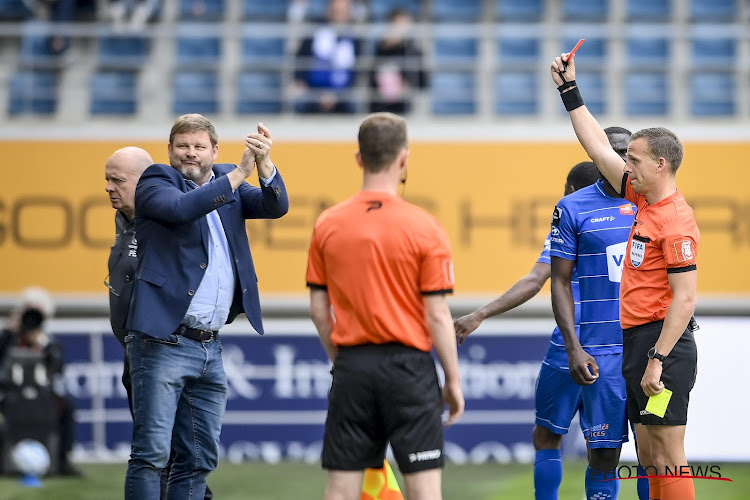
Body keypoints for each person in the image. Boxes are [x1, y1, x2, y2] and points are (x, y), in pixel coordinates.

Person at [551, 52, 699, 500]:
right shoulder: (641, 199)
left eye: (632, 159)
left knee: (668, 455)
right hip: (636, 342)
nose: (622, 165)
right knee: (651, 456)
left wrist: (658, 358)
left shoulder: (675, 221)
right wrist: (568, 90)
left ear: (661, 165)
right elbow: (596, 145)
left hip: (663, 348)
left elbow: (685, 299)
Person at [124, 114, 289, 499]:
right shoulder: (156, 180)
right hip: (162, 340)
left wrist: (263, 163)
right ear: (170, 150)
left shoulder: (226, 178)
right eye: (183, 146)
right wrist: (235, 176)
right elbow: (181, 209)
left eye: (199, 147)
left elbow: (274, 206)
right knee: (151, 455)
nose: (190, 154)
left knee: (198, 460)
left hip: (208, 346)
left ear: (215, 151)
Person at [306, 112, 463, 500]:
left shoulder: (328, 223)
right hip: (408, 368)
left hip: (353, 365)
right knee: (424, 491)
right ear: (404, 159)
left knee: (341, 490)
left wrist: (340, 357)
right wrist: (453, 380)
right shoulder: (424, 226)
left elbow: (319, 309)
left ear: (359, 158)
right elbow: (437, 315)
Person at [455, 156, 629, 500]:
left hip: (569, 346)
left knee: (548, 436)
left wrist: (480, 314)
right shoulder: (628, 221)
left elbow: (535, 280)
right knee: (607, 451)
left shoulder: (573, 216)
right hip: (612, 347)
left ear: (572, 190)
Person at [105, 146, 217, 499]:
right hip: (136, 354)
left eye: (117, 180)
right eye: (107, 179)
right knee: (165, 456)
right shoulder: (124, 223)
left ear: (146, 182)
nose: (108, 187)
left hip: (165, 350)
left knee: (173, 457)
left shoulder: (169, 224)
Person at [0, 287, 82, 476]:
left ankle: (62, 460)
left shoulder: (48, 342)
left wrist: (42, 343)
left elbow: (58, 368)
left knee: (66, 407)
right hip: (10, 394)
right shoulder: (8, 337)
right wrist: (10, 333)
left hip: (42, 395)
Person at [293, 0, 362, 114]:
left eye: (342, 12)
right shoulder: (314, 30)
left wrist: (335, 93)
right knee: (299, 99)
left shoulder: (355, 37)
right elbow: (301, 57)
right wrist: (300, 81)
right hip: (313, 88)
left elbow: (357, 69)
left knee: (355, 101)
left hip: (342, 90)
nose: (338, 15)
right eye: (336, 11)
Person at [368, 8, 428, 114]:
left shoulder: (415, 51)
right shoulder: (379, 50)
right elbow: (371, 77)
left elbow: (423, 82)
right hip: (381, 106)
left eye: (405, 25)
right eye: (398, 24)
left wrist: (409, 86)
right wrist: (385, 47)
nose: (401, 29)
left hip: (404, 107)